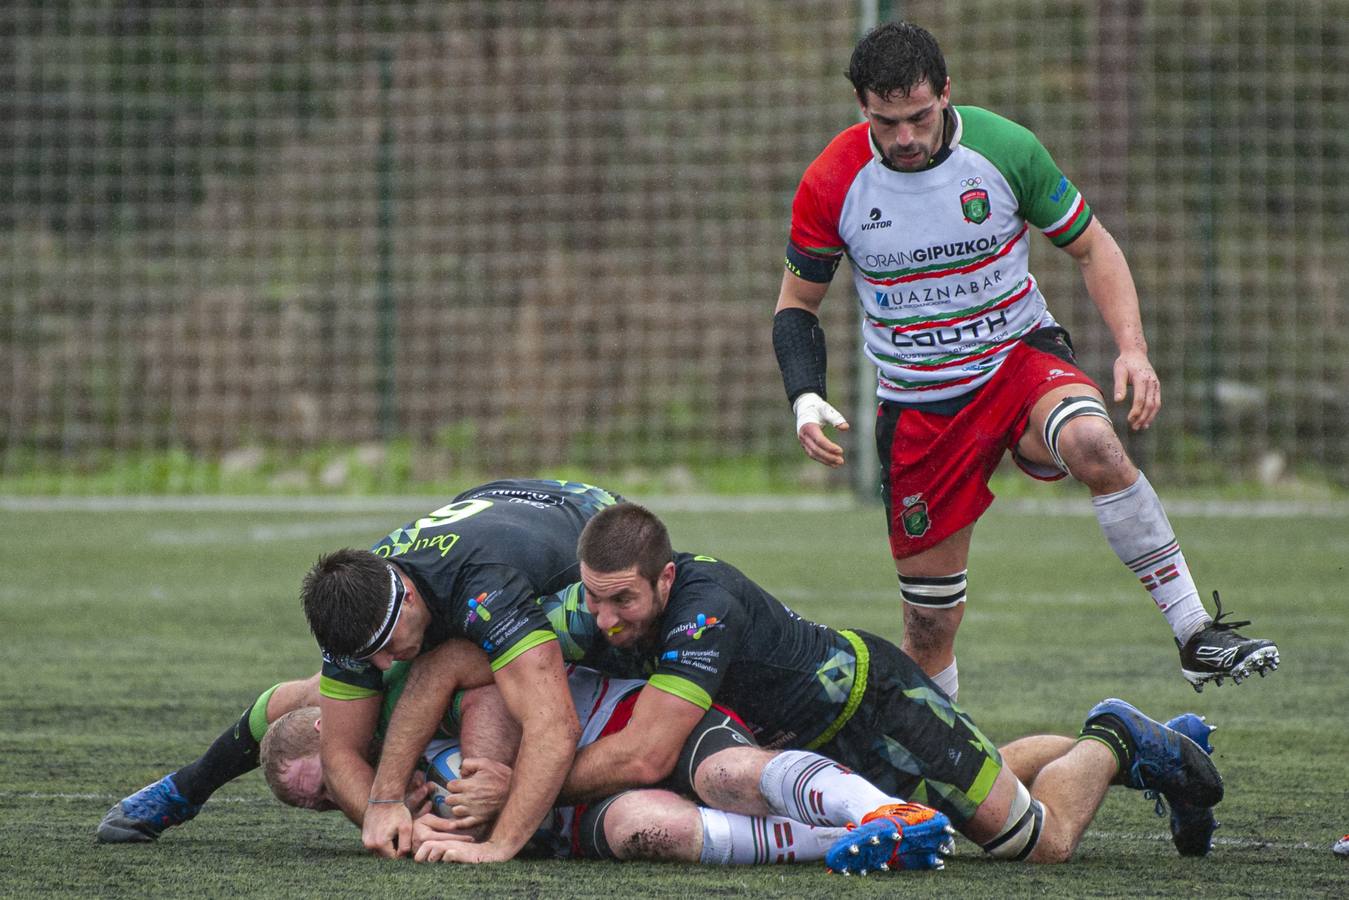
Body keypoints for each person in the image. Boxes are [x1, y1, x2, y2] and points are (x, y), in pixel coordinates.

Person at [770, 21, 1278, 699]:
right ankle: (948, 780)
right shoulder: (832, 181)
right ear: (861, 107)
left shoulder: (1004, 149)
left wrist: (1133, 349)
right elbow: (795, 306)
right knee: (927, 627)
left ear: (946, 93)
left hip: (1017, 362)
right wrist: (804, 395)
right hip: (919, 406)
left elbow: (1094, 247)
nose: (905, 137)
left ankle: (1192, 633)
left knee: (1094, 442)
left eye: (919, 116)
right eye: (885, 121)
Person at [536, 502, 1224, 867]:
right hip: (818, 741)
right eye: (593, 600)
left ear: (662, 580)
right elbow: (506, 651)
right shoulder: (600, 604)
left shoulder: (701, 603)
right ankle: (1138, 756)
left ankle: (1114, 735)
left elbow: (645, 756)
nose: (603, 619)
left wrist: (523, 790)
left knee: (1034, 843)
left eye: (621, 601)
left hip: (882, 711)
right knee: (977, 790)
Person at [96, 478, 621, 856]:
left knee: (495, 675)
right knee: (313, 696)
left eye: (388, 647)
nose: (382, 664)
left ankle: (479, 819)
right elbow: (340, 748)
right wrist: (382, 807)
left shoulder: (489, 588)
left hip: (583, 514)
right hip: (488, 505)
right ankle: (186, 789)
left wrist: (488, 833)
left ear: (410, 599)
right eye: (369, 657)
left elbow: (552, 725)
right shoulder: (360, 603)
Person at [260, 662, 861, 867]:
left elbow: (486, 688)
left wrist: (495, 781)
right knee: (648, 830)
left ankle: (881, 808)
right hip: (581, 816)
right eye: (319, 805)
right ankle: (840, 841)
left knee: (725, 778)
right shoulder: (393, 819)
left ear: (329, 731)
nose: (338, 799)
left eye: (324, 785)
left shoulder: (402, 694)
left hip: (621, 721)